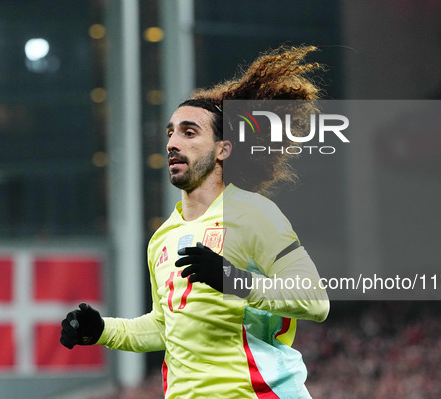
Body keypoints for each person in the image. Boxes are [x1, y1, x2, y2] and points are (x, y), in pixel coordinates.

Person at [60, 46, 329, 399]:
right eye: (170, 133)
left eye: (189, 133)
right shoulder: (162, 238)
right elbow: (164, 327)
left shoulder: (252, 215)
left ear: (223, 150)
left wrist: (232, 280)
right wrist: (101, 331)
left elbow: (315, 301)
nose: (172, 143)